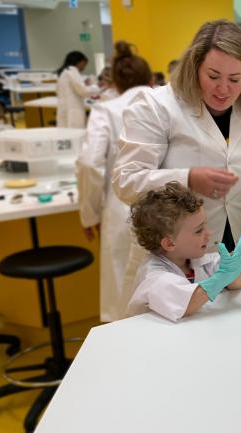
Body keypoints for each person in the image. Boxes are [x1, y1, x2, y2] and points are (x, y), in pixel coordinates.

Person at [113, 19, 241, 281]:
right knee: (185, 316)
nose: (223, 89)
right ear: (195, 67)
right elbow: (126, 181)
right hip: (177, 256)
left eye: (234, 79)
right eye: (213, 76)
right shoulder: (156, 107)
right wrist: (188, 179)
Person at [76, 41, 154, 322]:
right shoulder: (169, 105)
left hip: (123, 209)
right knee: (174, 298)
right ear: (151, 79)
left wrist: (89, 214)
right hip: (174, 211)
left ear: (116, 84)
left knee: (123, 300)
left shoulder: (106, 111)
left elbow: (89, 163)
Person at [127, 182, 241, 321]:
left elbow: (237, 286)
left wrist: (233, 272)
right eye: (199, 230)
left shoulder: (200, 260)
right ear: (169, 243)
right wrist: (221, 278)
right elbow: (187, 304)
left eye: (205, 225)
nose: (208, 233)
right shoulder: (153, 276)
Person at [56, 50, 98, 128]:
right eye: (84, 64)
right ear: (79, 62)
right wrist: (98, 87)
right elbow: (83, 91)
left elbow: (74, 88)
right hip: (73, 111)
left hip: (66, 109)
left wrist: (83, 84)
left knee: (66, 134)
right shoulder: (72, 71)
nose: (84, 67)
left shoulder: (65, 72)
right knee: (76, 134)